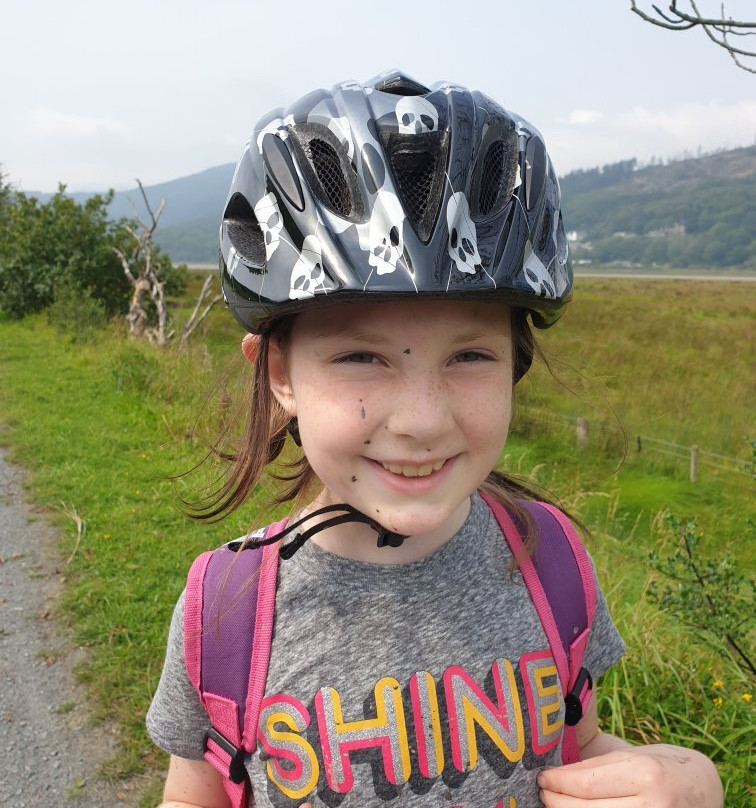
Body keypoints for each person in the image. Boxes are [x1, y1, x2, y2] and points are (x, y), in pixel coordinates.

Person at [146, 71, 723, 808]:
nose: (422, 420)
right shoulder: (224, 612)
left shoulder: (550, 559)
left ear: (515, 364)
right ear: (282, 376)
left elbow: (576, 755)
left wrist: (689, 783)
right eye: (361, 357)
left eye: (470, 357)